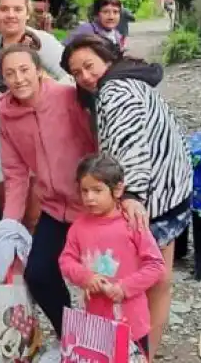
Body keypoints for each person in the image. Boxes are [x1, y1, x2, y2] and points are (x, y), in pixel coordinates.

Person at [61, 34, 193, 360]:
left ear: (106, 58)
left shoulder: (115, 90)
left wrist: (131, 196)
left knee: (146, 280)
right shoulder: (129, 79)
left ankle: (138, 352)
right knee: (159, 279)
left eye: (88, 66)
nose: (85, 77)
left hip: (151, 196)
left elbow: (131, 144)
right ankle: (140, 352)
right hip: (171, 188)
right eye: (76, 73)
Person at [0, 45, 96, 337]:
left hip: (89, 205)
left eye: (24, 70)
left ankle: (120, 346)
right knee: (38, 275)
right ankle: (73, 337)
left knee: (100, 278)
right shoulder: (5, 114)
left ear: (38, 70)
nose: (19, 79)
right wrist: (9, 227)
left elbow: (97, 143)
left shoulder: (67, 97)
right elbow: (15, 174)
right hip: (53, 207)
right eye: (10, 73)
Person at [0, 0, 67, 229]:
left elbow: (69, 75)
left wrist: (41, 95)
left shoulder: (44, 42)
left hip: (37, 128)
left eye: (17, 9)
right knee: (2, 197)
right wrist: (4, 99)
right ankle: (7, 252)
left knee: (34, 203)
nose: (11, 15)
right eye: (4, 9)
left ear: (27, 12)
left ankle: (34, 257)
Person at [59, 154, 165, 360]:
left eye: (97, 191)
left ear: (117, 189)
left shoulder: (133, 224)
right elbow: (66, 260)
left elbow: (155, 265)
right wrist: (85, 277)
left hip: (132, 320)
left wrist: (123, 288)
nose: (89, 197)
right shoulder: (78, 227)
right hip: (95, 320)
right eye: (84, 191)